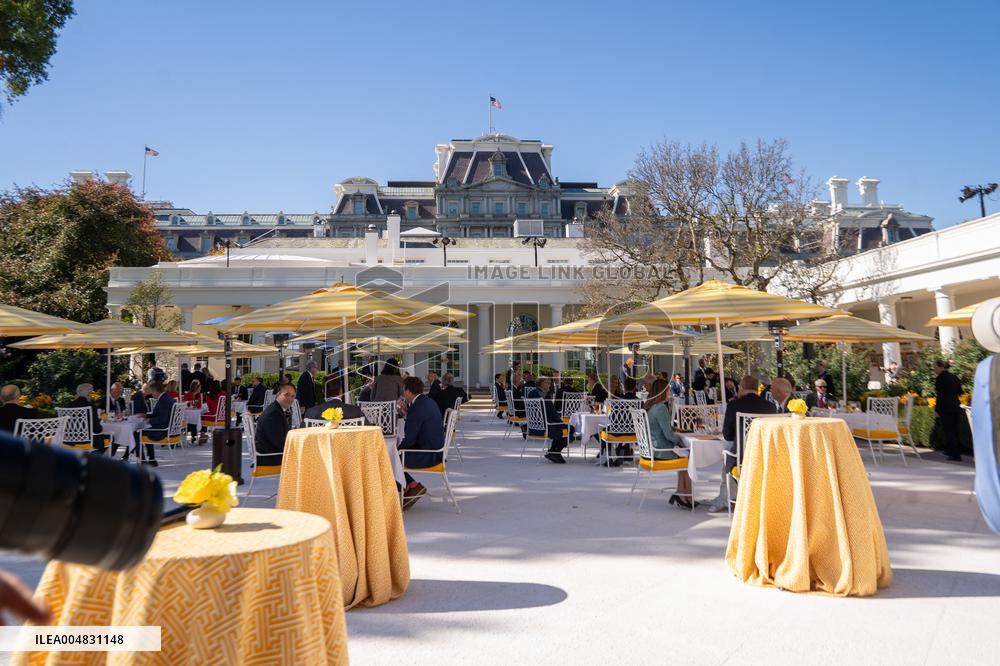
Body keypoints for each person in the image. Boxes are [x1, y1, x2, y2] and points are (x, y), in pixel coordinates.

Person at [706, 375, 778, 513]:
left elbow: (727, 435)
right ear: (757, 389)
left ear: (741, 388)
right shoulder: (771, 407)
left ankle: (729, 498)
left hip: (742, 459)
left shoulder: (734, 405)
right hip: (766, 458)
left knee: (728, 454)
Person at [643, 378, 694, 508]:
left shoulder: (651, 407)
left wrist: (676, 434)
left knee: (684, 455)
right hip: (661, 451)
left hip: (652, 449)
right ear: (662, 392)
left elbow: (664, 430)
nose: (670, 392)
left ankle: (682, 493)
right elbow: (668, 435)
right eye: (668, 390)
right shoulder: (661, 408)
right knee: (689, 456)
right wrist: (680, 441)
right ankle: (685, 495)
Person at [398, 376, 443, 509]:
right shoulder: (426, 401)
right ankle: (411, 485)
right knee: (394, 455)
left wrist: (398, 449)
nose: (402, 393)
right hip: (435, 449)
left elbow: (410, 438)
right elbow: (418, 424)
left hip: (428, 454)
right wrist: (407, 412)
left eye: (403, 390)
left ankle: (407, 489)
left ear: (408, 391)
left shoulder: (417, 407)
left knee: (390, 458)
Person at [526, 377, 568, 464]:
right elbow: (552, 413)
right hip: (545, 427)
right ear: (541, 384)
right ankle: (554, 452)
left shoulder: (531, 393)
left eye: (550, 383)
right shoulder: (544, 396)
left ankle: (553, 452)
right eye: (547, 383)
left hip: (533, 427)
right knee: (569, 429)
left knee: (562, 427)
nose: (550, 385)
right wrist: (562, 422)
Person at [132, 381, 172, 465]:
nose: (151, 394)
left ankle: (142, 460)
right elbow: (159, 415)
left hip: (162, 431)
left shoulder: (163, 401)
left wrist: (149, 420)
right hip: (167, 428)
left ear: (155, 391)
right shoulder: (166, 398)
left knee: (136, 432)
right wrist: (146, 415)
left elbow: (162, 419)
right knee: (144, 429)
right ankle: (152, 459)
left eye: (152, 392)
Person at [255, 383, 295, 466]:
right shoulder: (273, 413)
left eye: (292, 396)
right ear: (278, 394)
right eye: (287, 395)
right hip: (269, 457)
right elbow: (279, 442)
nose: (290, 399)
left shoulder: (276, 409)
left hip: (272, 453)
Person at [933, 359, 964, 461]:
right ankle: (953, 450)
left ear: (941, 367)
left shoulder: (940, 379)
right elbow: (960, 392)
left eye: (935, 367)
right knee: (955, 430)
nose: (934, 370)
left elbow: (940, 396)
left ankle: (955, 454)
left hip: (945, 408)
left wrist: (937, 409)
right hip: (955, 406)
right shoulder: (954, 377)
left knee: (949, 431)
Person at [66, 383, 110, 453]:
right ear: (89, 394)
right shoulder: (91, 407)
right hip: (85, 441)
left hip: (68, 440)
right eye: (91, 393)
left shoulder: (68, 405)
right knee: (109, 436)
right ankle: (93, 460)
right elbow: (97, 429)